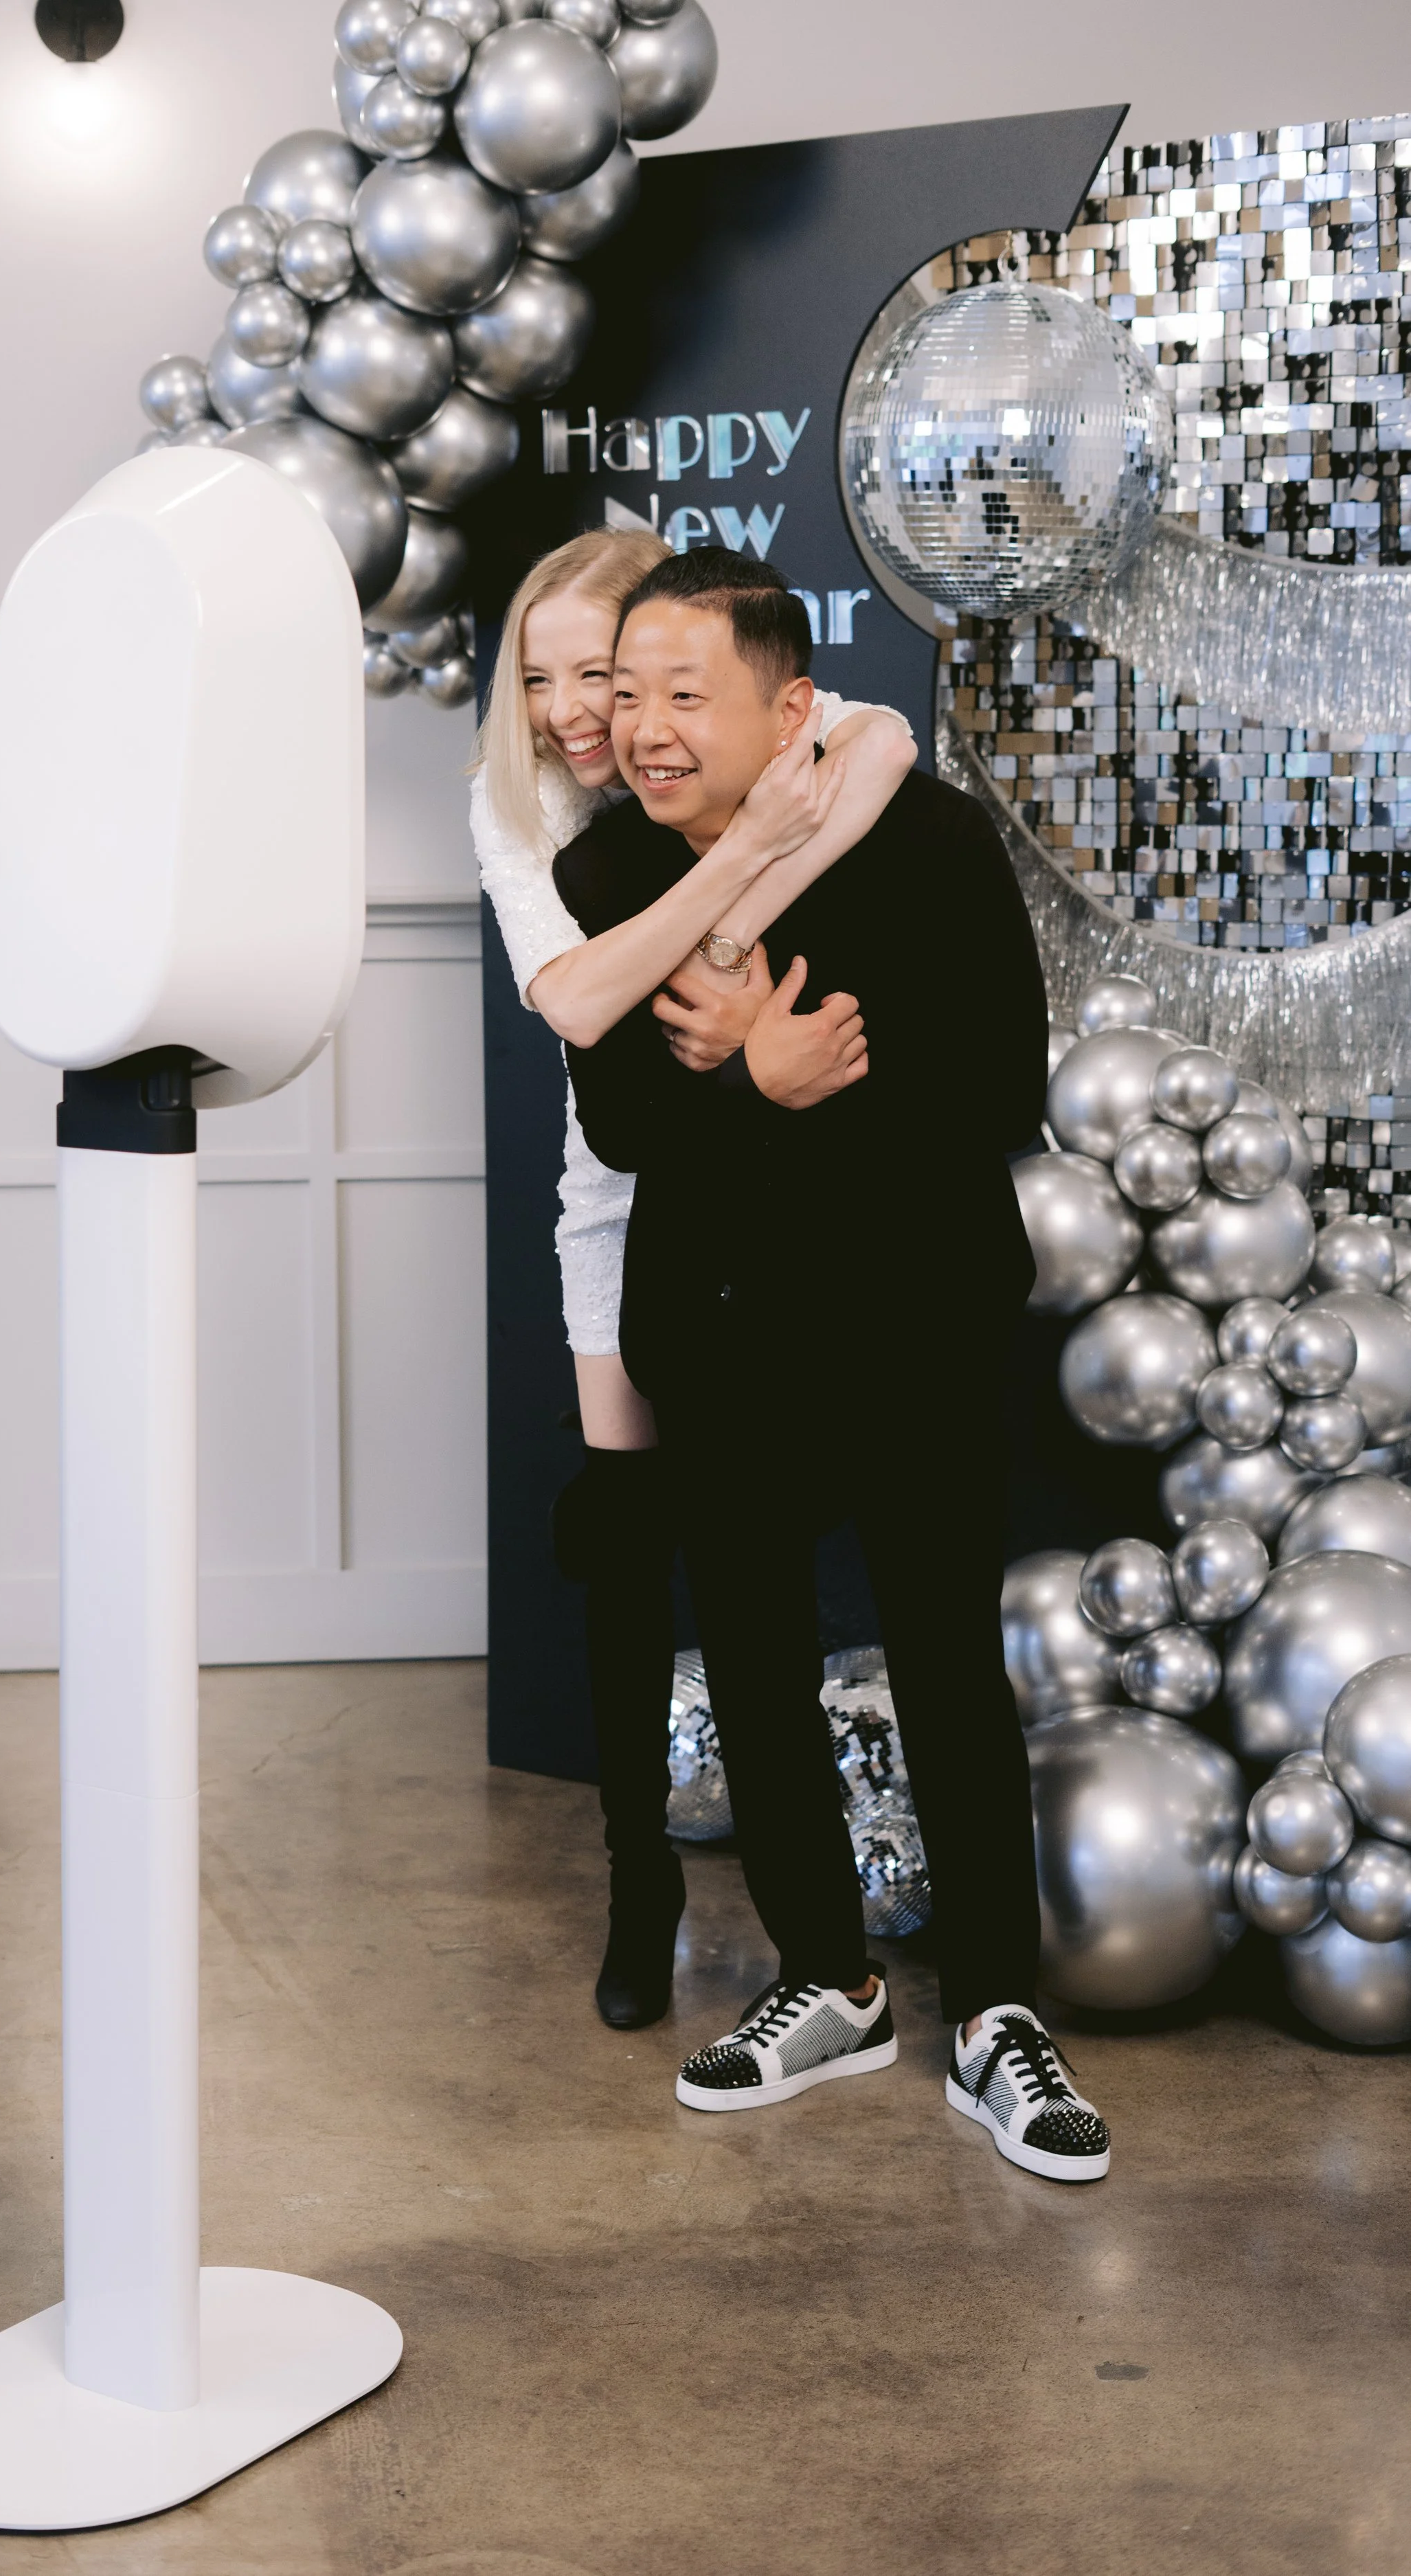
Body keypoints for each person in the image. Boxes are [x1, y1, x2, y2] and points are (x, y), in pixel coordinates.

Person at [553, 547, 1112, 2184]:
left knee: (945, 1658)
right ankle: (828, 1976)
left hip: (917, 1326)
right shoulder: (611, 883)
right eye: (626, 693)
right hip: (722, 1339)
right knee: (750, 1660)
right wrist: (748, 1081)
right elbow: (619, 1115)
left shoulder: (925, 837)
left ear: (787, 709)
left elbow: (998, 1082)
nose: (644, 731)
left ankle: (998, 2013)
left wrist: (811, 1075)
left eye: (683, 696)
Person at [471, 530, 918, 2033]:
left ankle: (808, 1919)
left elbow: (882, 739)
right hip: (616, 1189)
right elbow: (582, 998)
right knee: (619, 1524)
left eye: (599, 671)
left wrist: (760, 881)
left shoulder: (761, 720)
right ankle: (637, 1877)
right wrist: (738, 872)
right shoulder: (514, 808)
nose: (579, 713)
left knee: (749, 1532)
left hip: (760, 1181)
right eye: (538, 680)